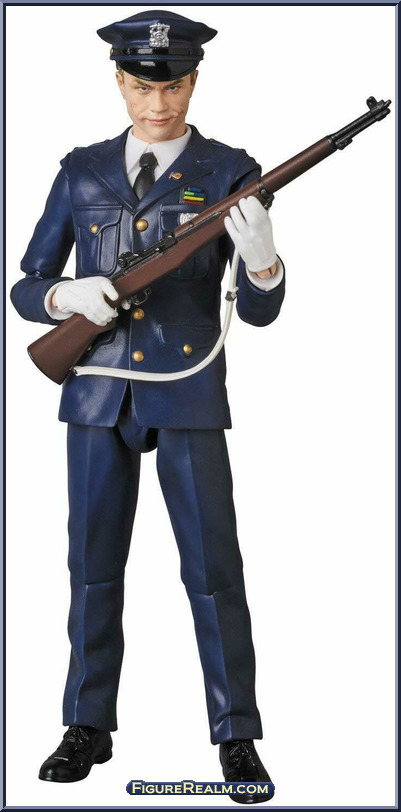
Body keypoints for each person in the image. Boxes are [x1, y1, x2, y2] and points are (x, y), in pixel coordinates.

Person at [10, 9, 285, 803]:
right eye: (139, 86)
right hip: (97, 393)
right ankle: (85, 725)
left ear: (192, 82)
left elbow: (260, 314)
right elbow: (27, 283)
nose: (156, 103)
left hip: (187, 389)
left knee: (213, 569)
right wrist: (64, 295)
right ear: (119, 82)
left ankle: (235, 735)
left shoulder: (230, 169)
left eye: (171, 86)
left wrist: (262, 264)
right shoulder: (82, 170)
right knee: (92, 567)